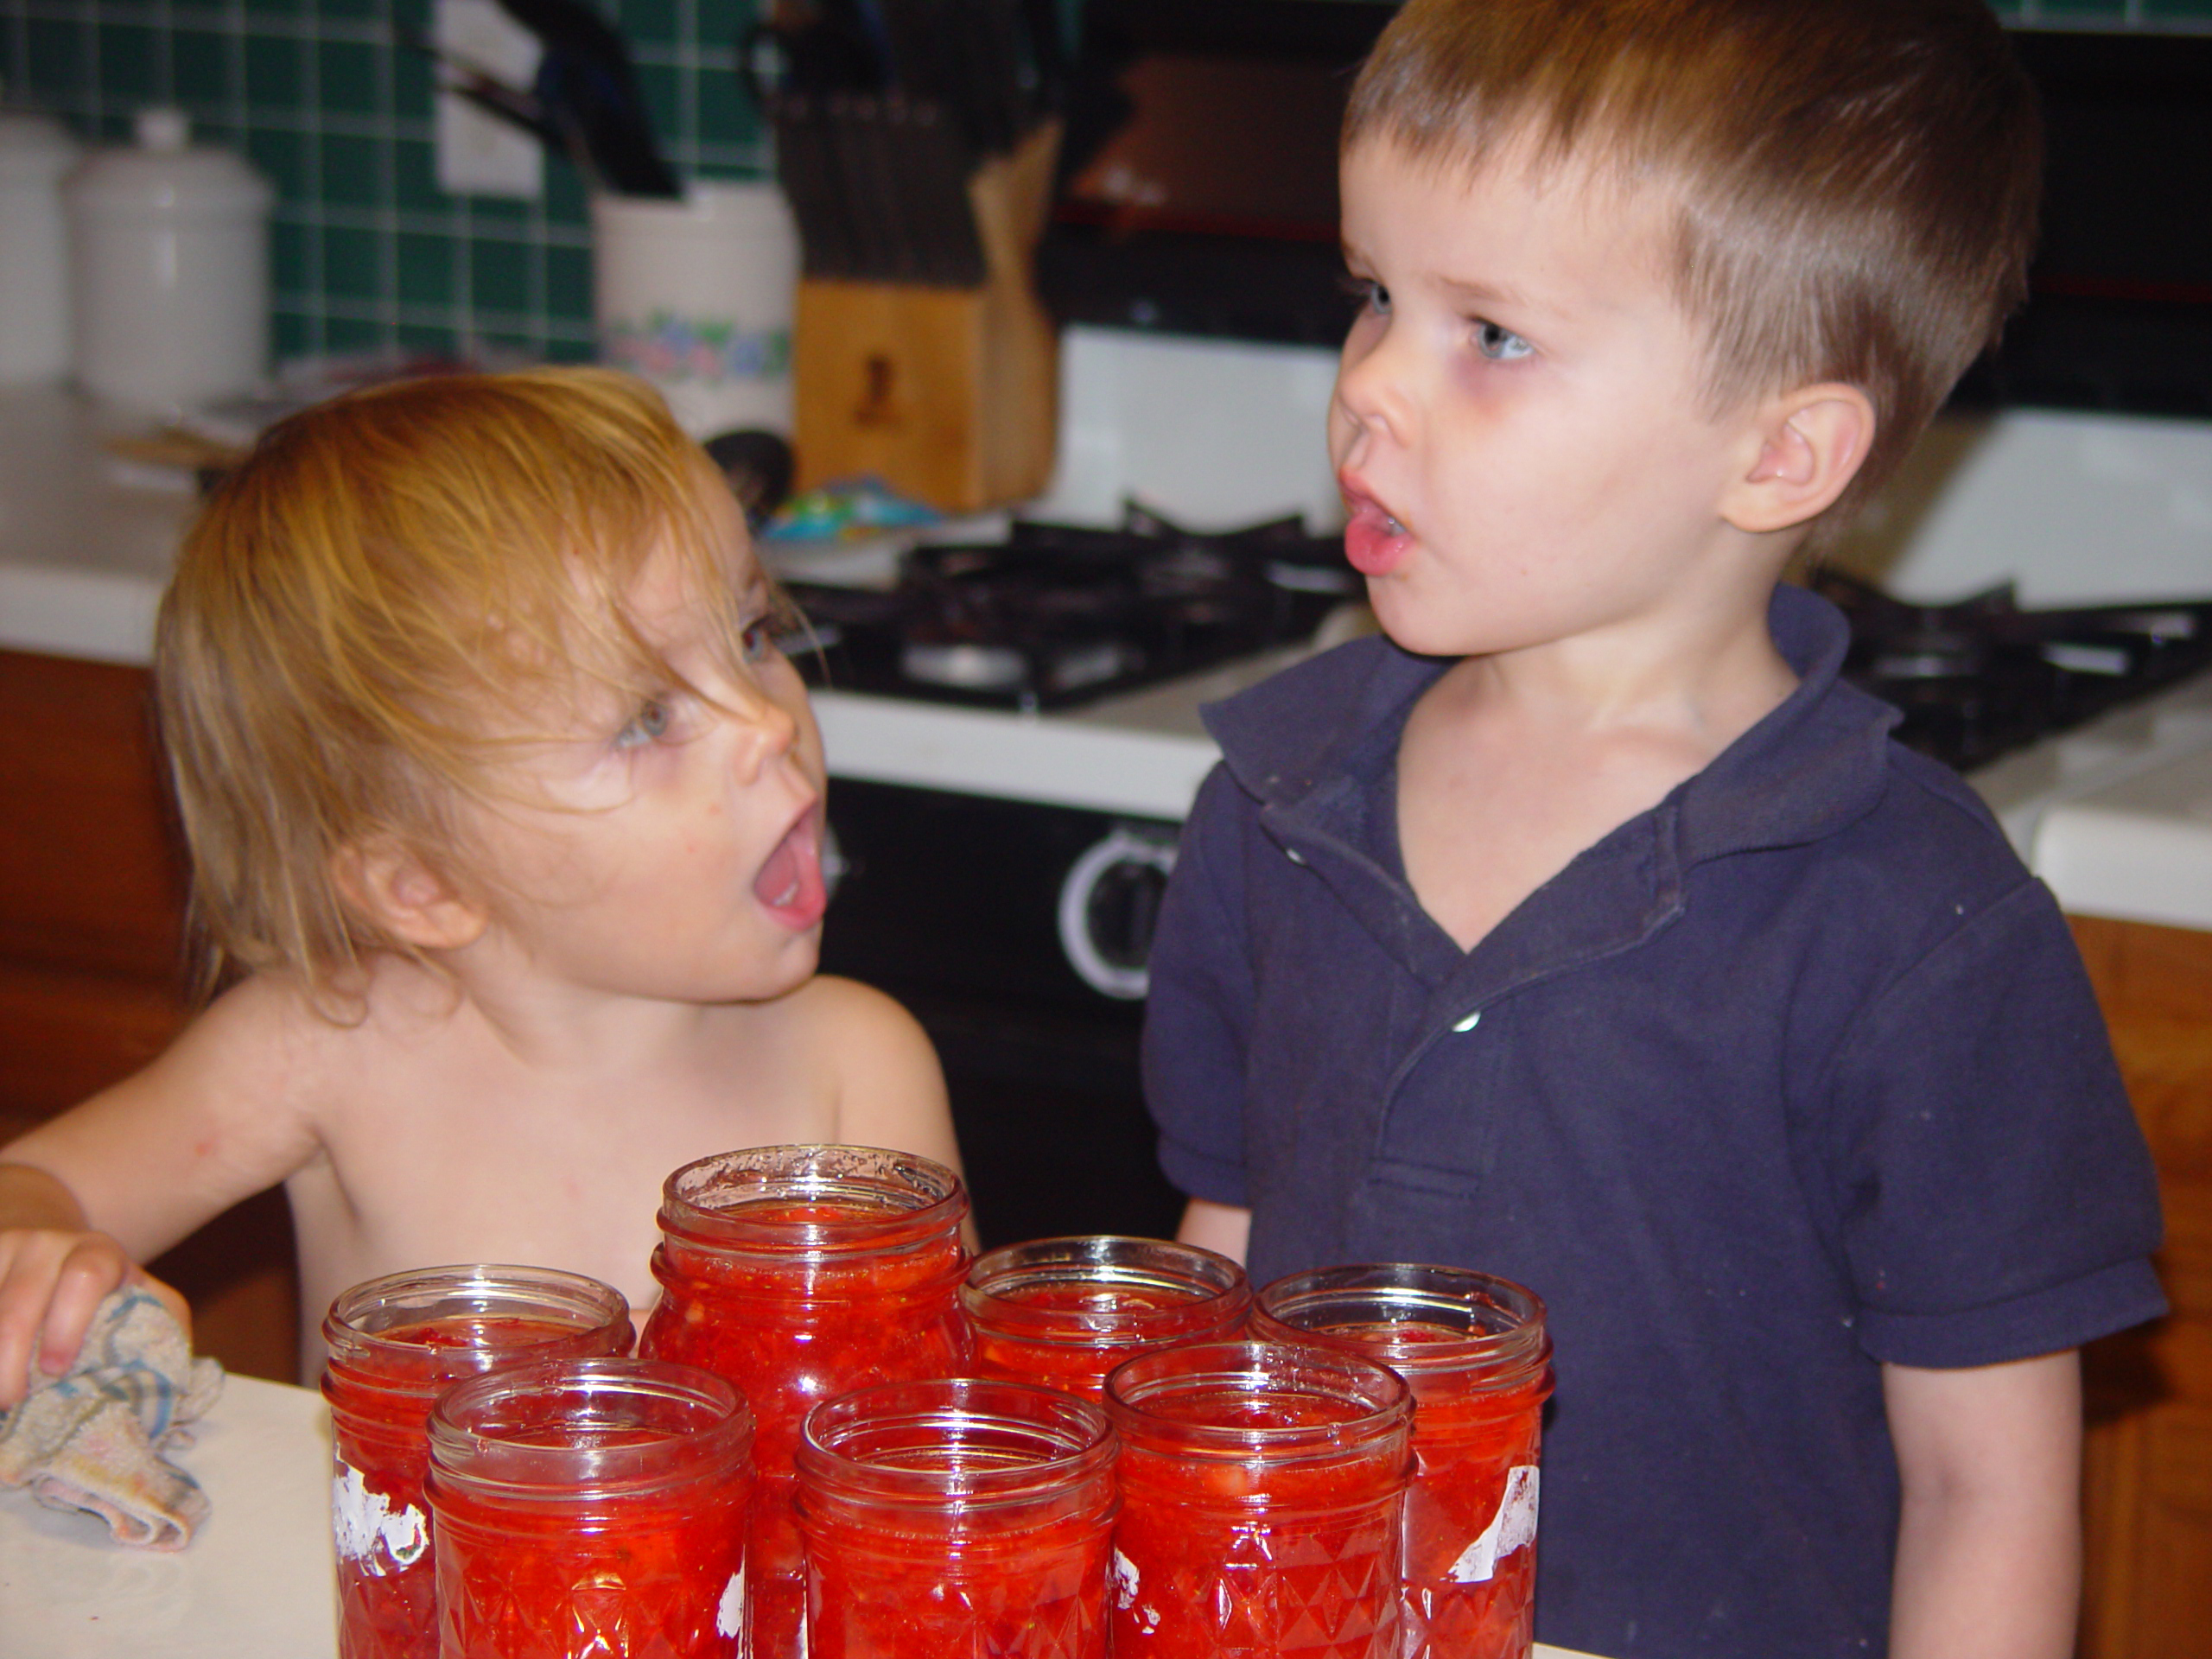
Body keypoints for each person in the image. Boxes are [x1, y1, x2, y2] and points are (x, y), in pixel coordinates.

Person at [1140, 3, 2164, 1656]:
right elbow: (1230, 1262)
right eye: (1376, 297)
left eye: (1493, 336)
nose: (1371, 388)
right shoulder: (1276, 802)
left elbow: (1991, 1490)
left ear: (1778, 452)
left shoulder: (1914, 921)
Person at [0, 368, 959, 1401]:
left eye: (752, 638)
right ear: (420, 883)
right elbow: (38, 1186)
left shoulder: (855, 1068)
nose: (770, 723)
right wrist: (39, 1251)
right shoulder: (325, 1048)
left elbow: (929, 1435)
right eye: (645, 718)